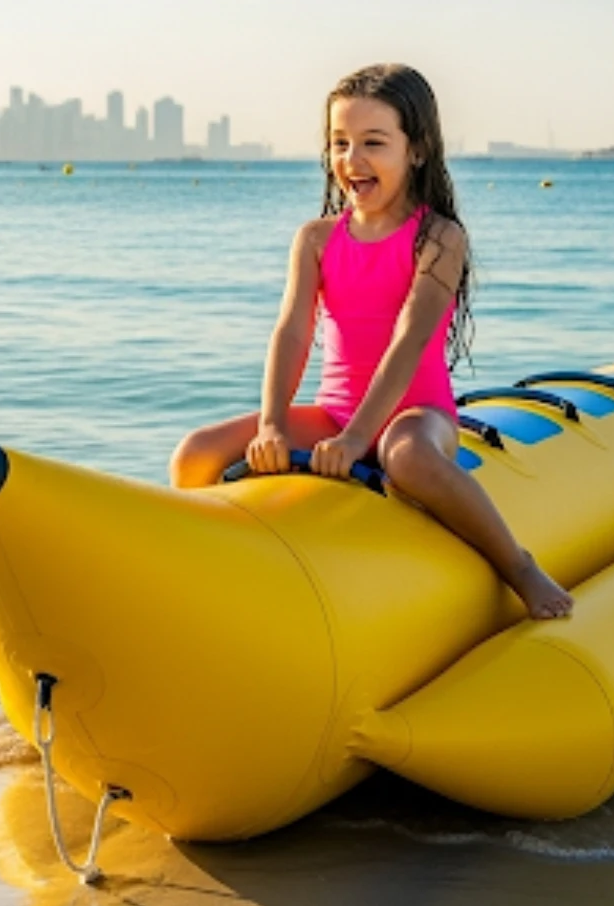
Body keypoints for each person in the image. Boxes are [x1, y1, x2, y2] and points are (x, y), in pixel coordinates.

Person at [169, 62, 572, 621]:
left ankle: (518, 564)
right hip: (336, 414)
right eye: (340, 142)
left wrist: (361, 438)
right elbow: (292, 331)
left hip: (416, 411)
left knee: (404, 458)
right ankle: (206, 570)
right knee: (197, 452)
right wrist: (272, 423)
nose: (351, 161)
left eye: (373, 143)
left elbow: (409, 342)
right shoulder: (315, 238)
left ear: (418, 149)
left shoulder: (439, 238)